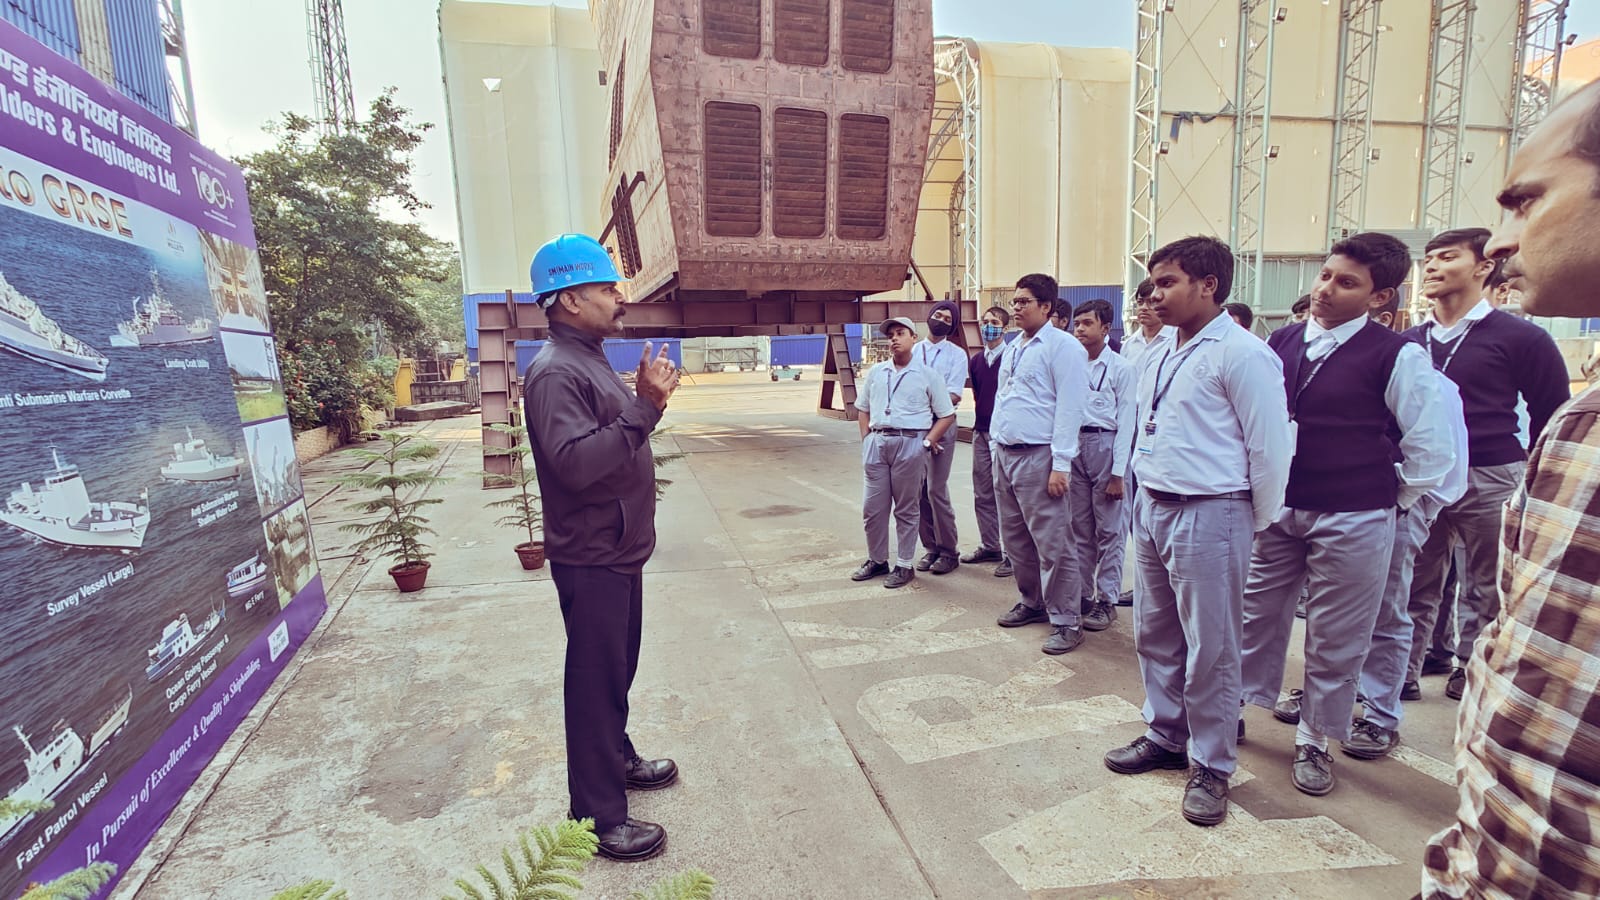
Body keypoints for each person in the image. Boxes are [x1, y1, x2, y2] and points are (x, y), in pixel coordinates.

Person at [1422, 78, 1600, 900]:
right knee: (1468, 599)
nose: (1500, 240)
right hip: (1489, 867)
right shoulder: (1582, 433)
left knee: (1476, 601)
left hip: (1493, 468)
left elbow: (1542, 400)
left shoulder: (1521, 339)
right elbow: (1535, 664)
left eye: (1526, 202)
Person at [1237, 232, 1454, 796]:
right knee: (1256, 614)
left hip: (1356, 514)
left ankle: (1315, 737)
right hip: (1281, 509)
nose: (1327, 289)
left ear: (1380, 298)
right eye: (1326, 275)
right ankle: (1235, 705)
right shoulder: (1280, 341)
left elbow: (1431, 449)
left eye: (1346, 283)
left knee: (1337, 634)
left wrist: (1388, 498)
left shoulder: (1396, 355)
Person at [1103, 236, 1291, 828]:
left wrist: (1251, 521)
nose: (1154, 293)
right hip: (1155, 505)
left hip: (1213, 510)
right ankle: (1166, 733)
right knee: (1156, 631)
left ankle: (1212, 763)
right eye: (1153, 283)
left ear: (1208, 284)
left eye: (1167, 282)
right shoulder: (1158, 352)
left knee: (1212, 646)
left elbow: (1270, 450)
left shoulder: (1242, 353)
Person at [520, 234, 682, 862]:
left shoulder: (586, 359)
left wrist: (645, 406)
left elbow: (617, 438)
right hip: (592, 555)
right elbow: (574, 465)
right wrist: (644, 408)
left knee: (617, 669)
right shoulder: (557, 371)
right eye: (606, 288)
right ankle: (596, 817)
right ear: (566, 299)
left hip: (616, 549)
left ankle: (615, 758)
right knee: (594, 681)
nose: (620, 297)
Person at [1401, 227, 1570, 701]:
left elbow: (1550, 413)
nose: (1432, 266)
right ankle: (1403, 673)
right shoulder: (1409, 342)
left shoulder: (1520, 337)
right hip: (1424, 479)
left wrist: (1537, 485)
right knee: (1413, 581)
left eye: (1447, 257)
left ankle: (1469, 667)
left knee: (1487, 584)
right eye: (1429, 259)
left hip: (1492, 473)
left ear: (1482, 268)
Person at [1349, 290, 1469, 762]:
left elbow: (1444, 463)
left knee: (1388, 612)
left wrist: (1406, 504)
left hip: (1396, 509)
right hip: (1344, 509)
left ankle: (1380, 713)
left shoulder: (1425, 379)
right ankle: (1337, 697)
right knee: (1337, 614)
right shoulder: (1340, 374)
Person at [991, 273, 1091, 655]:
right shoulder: (1015, 347)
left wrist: (1060, 464)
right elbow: (1006, 398)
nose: (1016, 308)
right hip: (1006, 453)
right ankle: (1032, 601)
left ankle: (1067, 619)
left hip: (1040, 456)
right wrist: (998, 443)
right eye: (1014, 301)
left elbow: (1070, 407)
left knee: (1053, 543)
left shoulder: (1063, 347)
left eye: (1024, 302)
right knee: (1016, 539)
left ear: (1047, 307)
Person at [852, 317, 957, 589]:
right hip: (878, 443)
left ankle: (904, 564)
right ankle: (877, 560)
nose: (894, 339)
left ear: (914, 338)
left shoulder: (927, 375)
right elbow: (862, 408)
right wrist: (866, 440)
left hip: (910, 443)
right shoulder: (877, 372)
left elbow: (946, 415)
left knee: (906, 509)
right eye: (891, 335)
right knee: (872, 509)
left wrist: (926, 442)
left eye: (900, 333)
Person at [1069, 299, 1136, 631]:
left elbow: (1127, 423)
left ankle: (1107, 599)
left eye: (1086, 323)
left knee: (1110, 530)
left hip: (1106, 445)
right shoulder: (1072, 364)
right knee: (1080, 528)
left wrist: (1118, 473)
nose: (1079, 329)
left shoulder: (1122, 369)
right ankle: (1083, 594)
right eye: (1076, 323)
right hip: (1076, 446)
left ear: (1106, 328)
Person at [913, 302, 968, 575]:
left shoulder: (957, 355)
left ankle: (949, 550)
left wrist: (925, 400)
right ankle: (931, 547)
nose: (941, 320)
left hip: (942, 423)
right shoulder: (913, 351)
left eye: (947, 318)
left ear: (953, 325)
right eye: (938, 315)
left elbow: (955, 394)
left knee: (936, 488)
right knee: (919, 489)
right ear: (929, 318)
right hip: (915, 426)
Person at [961, 306, 1013, 577]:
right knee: (982, 492)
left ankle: (1013, 554)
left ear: (1005, 329)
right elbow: (979, 397)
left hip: (1002, 435)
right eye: (985, 322)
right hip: (981, 431)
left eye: (994, 322)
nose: (987, 326)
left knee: (1004, 494)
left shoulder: (1012, 358)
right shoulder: (977, 361)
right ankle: (990, 544)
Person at [1120, 278, 1176, 373]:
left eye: (1151, 302)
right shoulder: (1128, 345)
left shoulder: (1176, 340)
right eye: (1140, 302)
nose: (1144, 308)